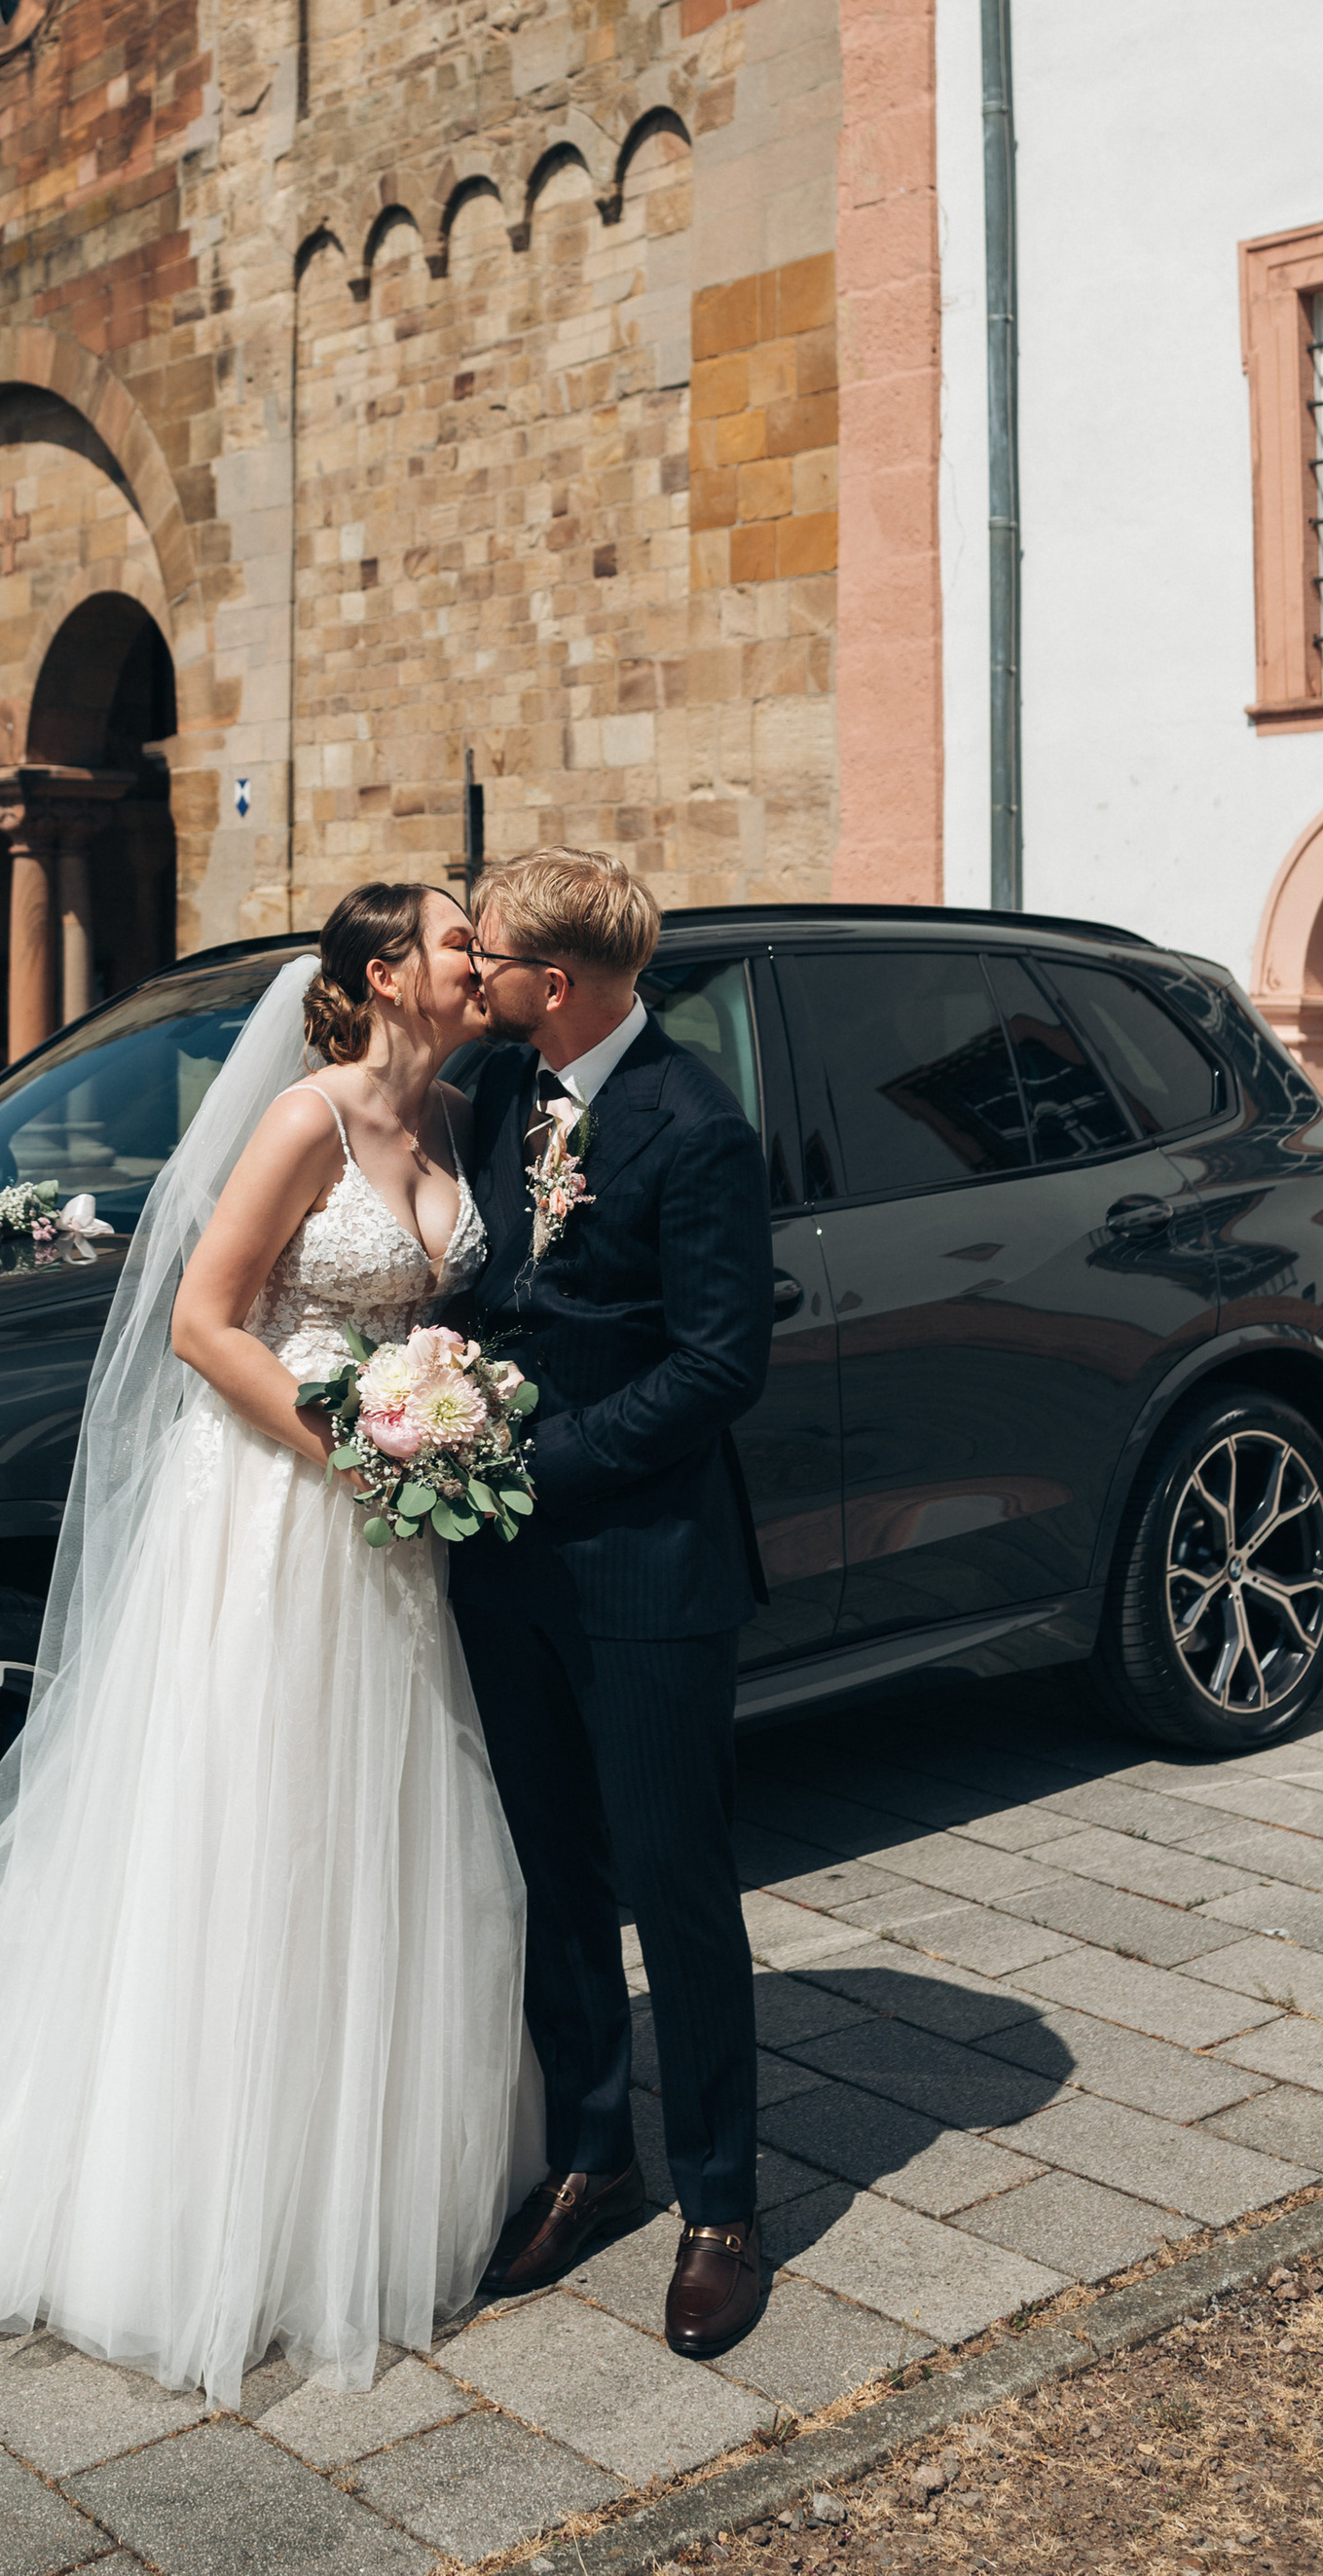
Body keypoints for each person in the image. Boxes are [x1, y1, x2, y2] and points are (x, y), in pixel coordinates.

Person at [0, 883, 528, 2404]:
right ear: (387, 972)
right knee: (248, 1819)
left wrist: (441, 1410)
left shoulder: (459, 1118)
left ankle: (350, 2164)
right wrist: (355, 1448)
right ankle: (187, 2196)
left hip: (395, 1528)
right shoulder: (304, 1119)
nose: (483, 957)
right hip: (276, 1508)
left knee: (370, 1821)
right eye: (459, 938)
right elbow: (206, 1321)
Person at [450, 847, 775, 2363]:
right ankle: (596, 2153)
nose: (476, 970)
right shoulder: (498, 1093)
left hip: (646, 1562)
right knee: (553, 1872)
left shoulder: (697, 1125)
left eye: (492, 952)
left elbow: (718, 1364)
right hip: (502, 1561)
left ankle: (723, 2204)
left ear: (556, 978)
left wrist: (537, 1462)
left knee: (674, 1881)